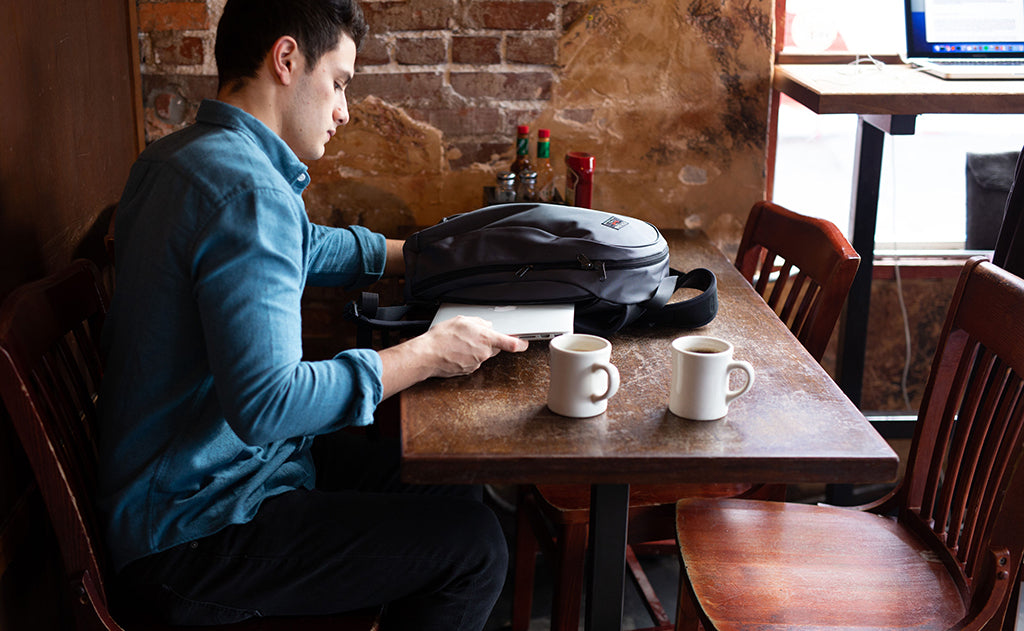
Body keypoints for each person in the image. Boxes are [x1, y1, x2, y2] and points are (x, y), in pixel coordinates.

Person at [96, 1, 528, 629]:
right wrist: (429, 351)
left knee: (448, 482)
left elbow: (303, 246)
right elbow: (269, 404)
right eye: (340, 82)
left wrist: (436, 256)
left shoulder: (178, 158)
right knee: (477, 549)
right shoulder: (249, 191)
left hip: (184, 492)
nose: (344, 110)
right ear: (288, 59)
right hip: (192, 535)